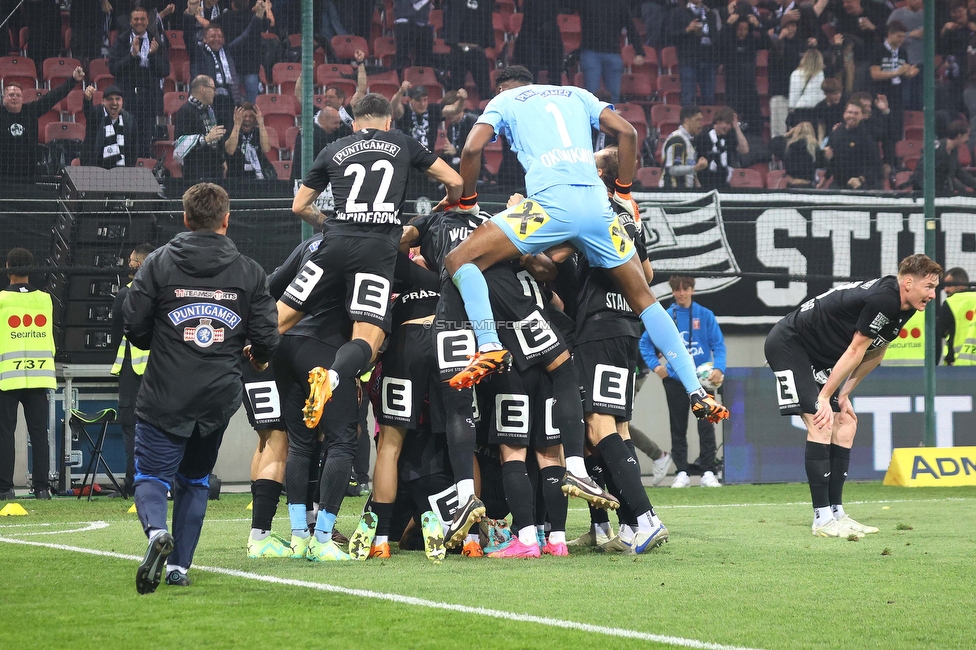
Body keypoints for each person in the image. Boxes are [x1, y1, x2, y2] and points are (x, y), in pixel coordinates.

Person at [435, 65, 728, 529]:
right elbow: (628, 131)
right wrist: (625, 189)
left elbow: (472, 148)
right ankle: (695, 387)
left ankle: (489, 342)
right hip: (596, 207)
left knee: (460, 261)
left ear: (505, 88)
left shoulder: (506, 101)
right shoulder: (578, 93)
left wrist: (466, 200)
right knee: (646, 299)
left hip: (548, 208)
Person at [279, 93, 462, 561]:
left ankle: (237, 354)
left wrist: (331, 221)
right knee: (368, 336)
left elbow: (299, 205)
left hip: (333, 245)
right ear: (387, 119)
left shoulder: (334, 149)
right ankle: (335, 376)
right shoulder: (402, 142)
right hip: (377, 255)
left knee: (281, 317)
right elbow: (454, 180)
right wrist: (441, 208)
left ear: (355, 122)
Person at [125, 182, 279, 593]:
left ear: (186, 219)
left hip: (165, 392)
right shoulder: (249, 270)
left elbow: (134, 325)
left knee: (151, 475)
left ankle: (157, 532)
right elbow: (267, 335)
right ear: (226, 221)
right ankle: (179, 567)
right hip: (216, 397)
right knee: (195, 479)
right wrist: (257, 356)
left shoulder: (157, 264)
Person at [764, 254, 941, 537]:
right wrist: (824, 397)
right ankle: (821, 519)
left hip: (818, 357)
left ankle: (837, 513)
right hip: (790, 344)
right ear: (908, 282)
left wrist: (844, 394)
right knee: (822, 421)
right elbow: (856, 350)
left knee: (845, 423)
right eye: (929, 287)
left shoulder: (905, 306)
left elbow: (876, 351)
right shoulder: (885, 299)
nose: (933, 294)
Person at [641, 276, 726, 488]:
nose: (681, 293)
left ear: (692, 290)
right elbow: (645, 343)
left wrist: (718, 368)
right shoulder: (666, 316)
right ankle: (682, 473)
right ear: (672, 292)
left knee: (707, 425)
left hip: (703, 382)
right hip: (675, 380)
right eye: (677, 290)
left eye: (685, 289)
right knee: (678, 428)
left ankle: (708, 471)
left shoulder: (705, 315)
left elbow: (719, 345)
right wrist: (658, 368)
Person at [0, 248, 55, 501]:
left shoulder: (1, 299)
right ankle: (42, 488)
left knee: (5, 433)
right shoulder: (45, 299)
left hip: (7, 376)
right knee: (38, 433)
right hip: (39, 375)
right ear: (30, 269)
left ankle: (4, 489)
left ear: (8, 267)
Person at [110, 244, 155, 498]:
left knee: (131, 425)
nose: (128, 264)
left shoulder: (126, 295)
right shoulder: (167, 293)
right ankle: (162, 483)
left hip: (134, 370)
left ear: (139, 263)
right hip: (162, 370)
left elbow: (119, 331)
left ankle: (133, 484)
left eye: (131, 260)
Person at [184, 0, 269, 116]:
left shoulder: (228, 52)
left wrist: (258, 16)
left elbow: (247, 34)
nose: (216, 39)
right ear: (204, 39)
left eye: (219, 36)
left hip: (228, 107)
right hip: (205, 107)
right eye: (213, 36)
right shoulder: (198, 53)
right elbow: (188, 35)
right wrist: (189, 13)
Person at [0, 68, 85, 181]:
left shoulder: (31, 110)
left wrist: (73, 80)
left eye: (18, 95)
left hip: (29, 173)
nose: (15, 97)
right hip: (3, 174)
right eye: (11, 95)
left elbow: (54, 96)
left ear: (22, 98)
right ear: (4, 99)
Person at [108, 6, 170, 159]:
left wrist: (153, 56)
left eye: (142, 19)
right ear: (130, 21)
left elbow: (165, 71)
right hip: (128, 100)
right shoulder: (121, 41)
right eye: (136, 19)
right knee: (126, 141)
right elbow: (114, 68)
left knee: (144, 144)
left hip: (148, 101)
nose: (139, 22)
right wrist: (132, 55)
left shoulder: (157, 41)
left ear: (147, 21)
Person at [574, 0, 646, 104]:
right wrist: (639, 52)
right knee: (592, 96)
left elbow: (631, 27)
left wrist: (639, 51)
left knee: (612, 96)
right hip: (594, 52)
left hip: (608, 53)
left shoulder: (620, 4)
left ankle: (610, 119)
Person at [869, 21, 917, 164]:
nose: (901, 40)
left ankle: (895, 163)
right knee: (884, 131)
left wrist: (909, 73)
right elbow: (875, 74)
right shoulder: (878, 50)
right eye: (898, 36)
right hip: (881, 95)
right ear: (889, 34)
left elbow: (904, 71)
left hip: (897, 95)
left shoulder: (902, 52)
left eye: (903, 37)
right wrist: (897, 72)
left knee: (896, 130)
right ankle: (884, 162)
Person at [174, 75, 227, 181]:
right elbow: (179, 144)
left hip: (215, 169)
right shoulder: (185, 111)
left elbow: (215, 141)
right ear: (202, 89)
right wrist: (205, 139)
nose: (215, 92)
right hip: (196, 171)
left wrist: (222, 160)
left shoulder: (210, 111)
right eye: (212, 89)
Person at [820, 100, 882, 190]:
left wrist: (860, 179)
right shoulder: (836, 132)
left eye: (856, 113)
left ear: (862, 116)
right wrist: (824, 180)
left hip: (860, 186)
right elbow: (832, 161)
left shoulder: (867, 136)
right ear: (844, 114)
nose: (852, 116)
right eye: (849, 112)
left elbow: (876, 165)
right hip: (838, 183)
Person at [669, 0, 719, 106]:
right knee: (688, 97)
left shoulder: (710, 14)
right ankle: (687, 121)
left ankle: (707, 121)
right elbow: (670, 37)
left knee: (709, 98)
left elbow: (715, 38)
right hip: (688, 59)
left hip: (708, 59)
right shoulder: (678, 12)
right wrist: (687, 30)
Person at [909, 120, 976, 195]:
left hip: (941, 191)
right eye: (967, 136)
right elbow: (921, 172)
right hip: (926, 192)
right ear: (959, 135)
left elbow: (960, 173)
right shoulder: (937, 148)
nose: (967, 139)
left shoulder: (953, 151)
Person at [289, 106, 352, 183]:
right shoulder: (317, 135)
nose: (338, 127)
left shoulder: (311, 128)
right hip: (305, 182)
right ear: (323, 120)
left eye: (339, 123)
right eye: (335, 123)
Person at [81, 85, 139, 168]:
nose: (114, 103)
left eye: (117, 99)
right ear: (103, 102)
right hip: (95, 170)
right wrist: (87, 100)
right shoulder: (96, 115)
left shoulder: (129, 120)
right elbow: (88, 110)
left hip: (122, 173)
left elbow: (133, 150)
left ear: (122, 101)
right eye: (110, 99)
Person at [693, 107, 749, 190]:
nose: (728, 127)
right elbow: (693, 161)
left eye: (730, 124)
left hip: (724, 185)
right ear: (718, 121)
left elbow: (745, 150)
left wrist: (737, 127)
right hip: (704, 184)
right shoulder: (703, 136)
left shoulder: (730, 136)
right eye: (727, 123)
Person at [660, 104, 708, 189]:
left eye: (702, 120)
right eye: (697, 120)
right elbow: (672, 169)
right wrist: (696, 168)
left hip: (686, 192)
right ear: (687, 121)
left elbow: (689, 168)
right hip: (672, 192)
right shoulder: (677, 139)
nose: (701, 124)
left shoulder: (689, 140)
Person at [224, 102, 275, 180]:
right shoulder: (231, 131)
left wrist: (261, 123)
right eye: (244, 116)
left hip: (257, 177)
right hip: (236, 177)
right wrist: (237, 124)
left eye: (251, 116)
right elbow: (230, 150)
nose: (247, 119)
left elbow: (266, 149)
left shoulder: (258, 132)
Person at [770, 121, 825, 187]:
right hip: (808, 186)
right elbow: (822, 163)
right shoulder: (814, 148)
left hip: (792, 185)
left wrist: (787, 134)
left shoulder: (788, 147)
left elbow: (771, 144)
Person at [939, 267, 976, 365]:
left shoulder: (951, 302)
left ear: (961, 286)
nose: (945, 289)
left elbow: (939, 334)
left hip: (957, 368)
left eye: (949, 285)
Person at [787, 48, 825, 128]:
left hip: (801, 112)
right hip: (818, 113)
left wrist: (791, 109)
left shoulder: (796, 74)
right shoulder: (822, 74)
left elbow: (794, 96)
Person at [812, 77, 844, 142]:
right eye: (835, 94)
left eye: (840, 93)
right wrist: (821, 144)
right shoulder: (820, 107)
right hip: (828, 137)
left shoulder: (845, 103)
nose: (839, 96)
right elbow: (821, 127)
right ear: (826, 94)